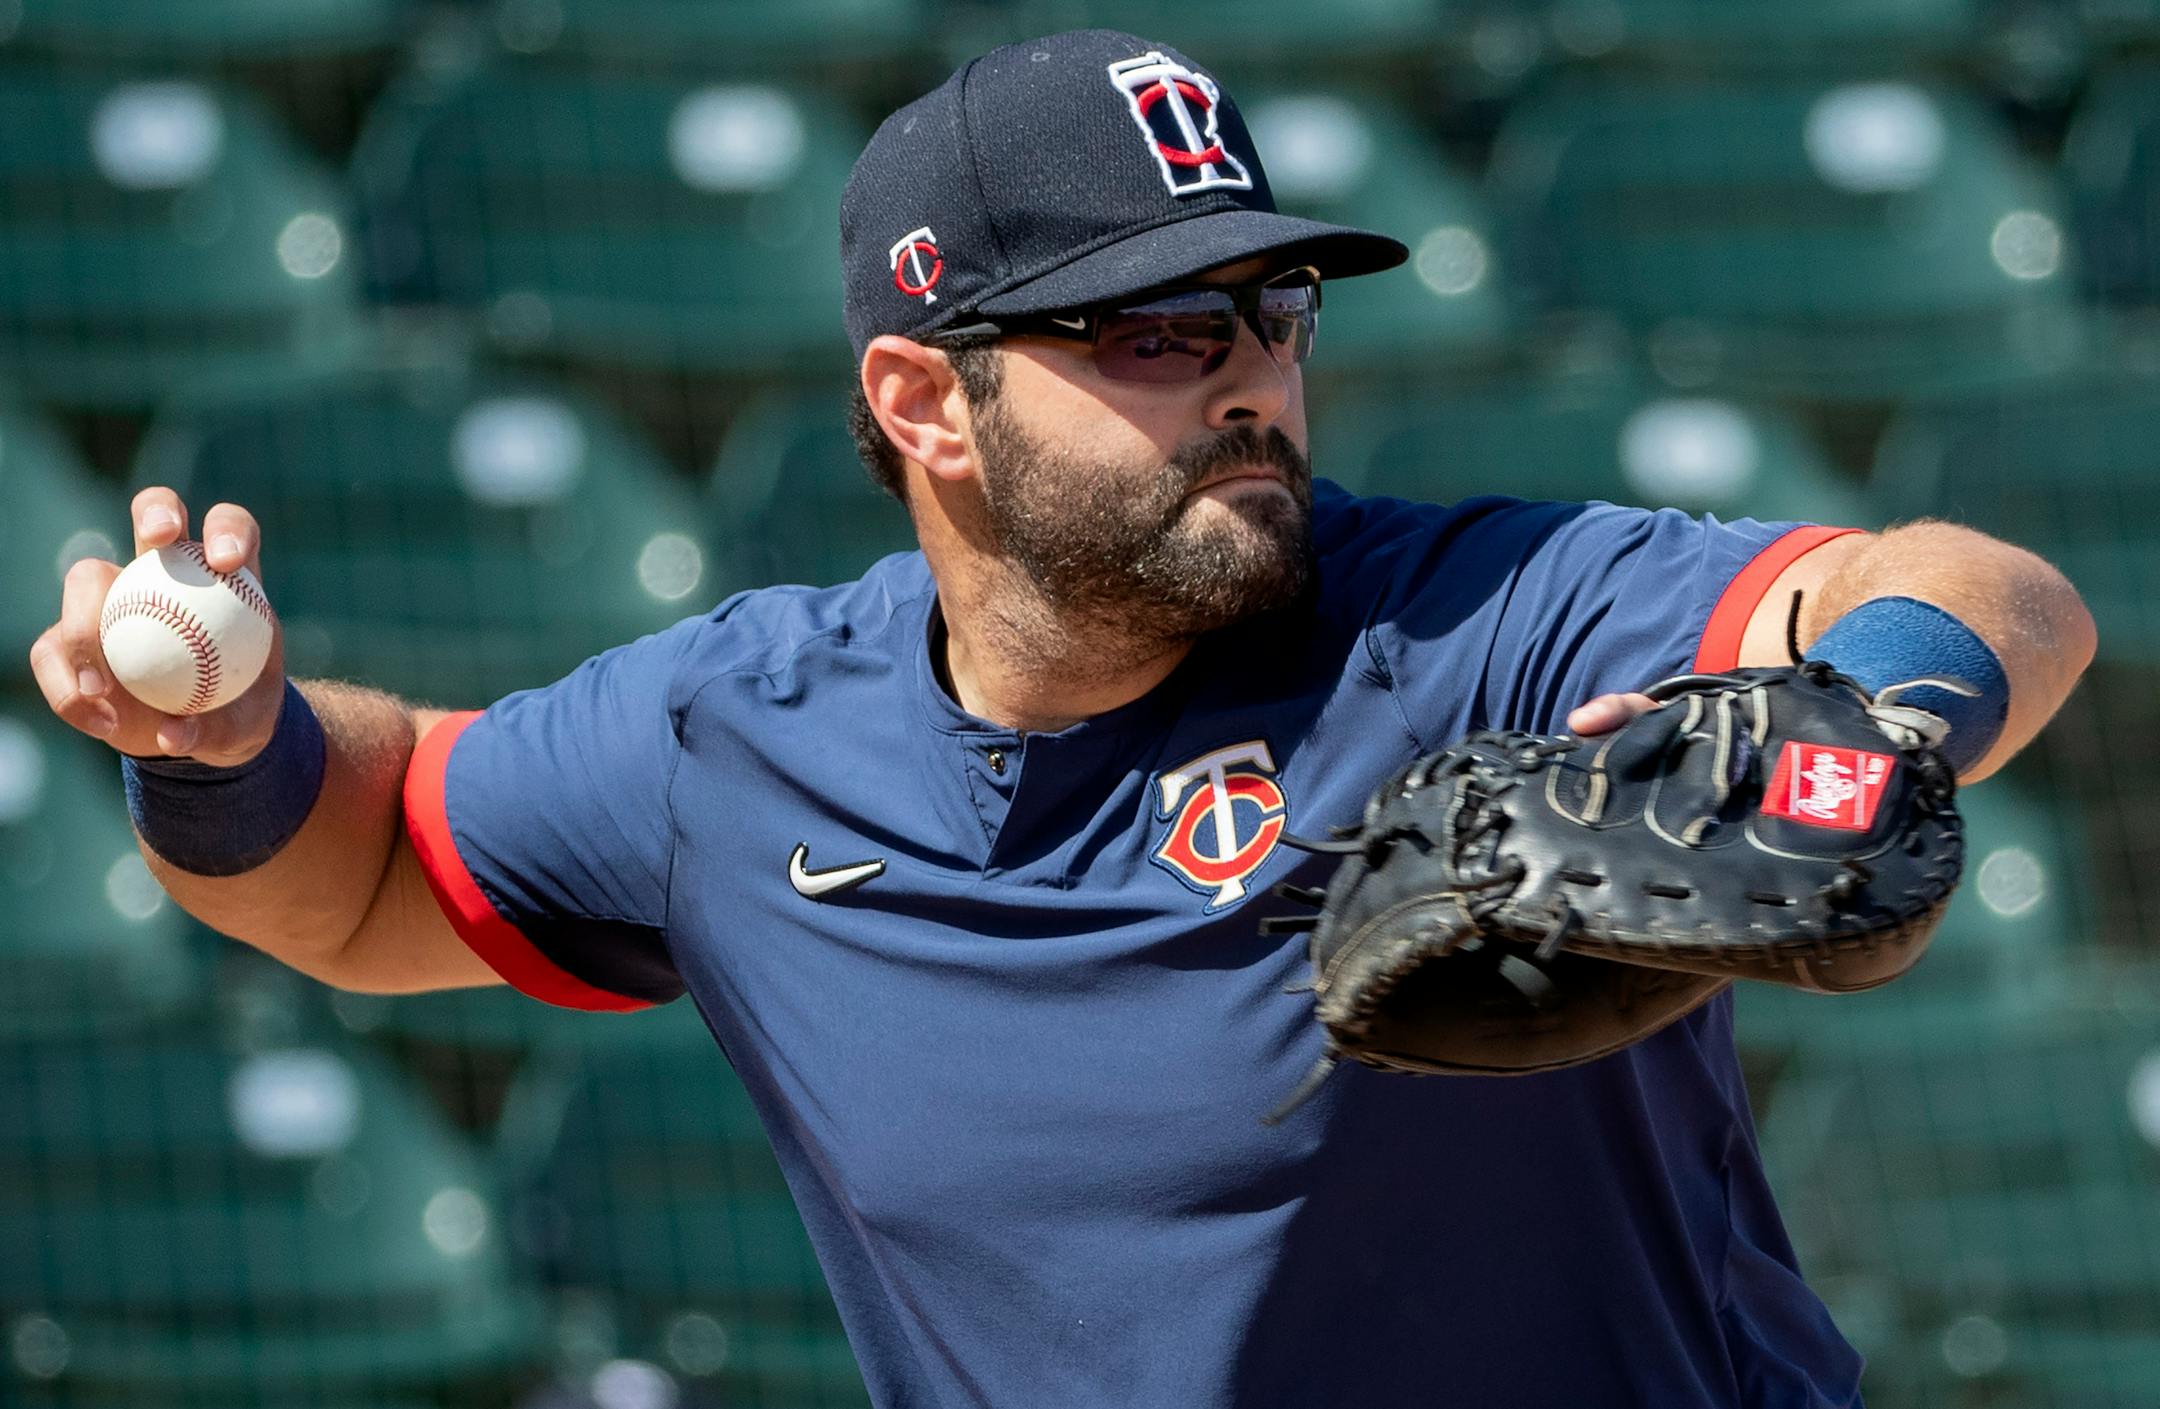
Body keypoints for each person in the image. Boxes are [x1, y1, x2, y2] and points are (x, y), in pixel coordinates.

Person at [30, 29, 2097, 1409]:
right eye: (1158, 325)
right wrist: (223, 752)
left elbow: (1985, 587)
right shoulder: (736, 740)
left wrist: (1863, 716)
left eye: (1276, 307)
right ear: (925, 400)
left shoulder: (1476, 616)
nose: (1251, 373)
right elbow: (368, 867)